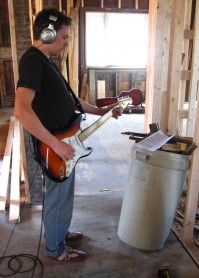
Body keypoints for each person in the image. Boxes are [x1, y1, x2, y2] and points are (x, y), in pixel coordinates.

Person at [14, 8, 122, 262]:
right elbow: (21, 110)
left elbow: (71, 101)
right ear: (47, 34)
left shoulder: (45, 62)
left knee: (64, 193)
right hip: (54, 146)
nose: (66, 43)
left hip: (64, 140)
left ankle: (59, 232)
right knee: (57, 195)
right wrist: (56, 144)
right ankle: (55, 249)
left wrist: (100, 110)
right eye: (63, 37)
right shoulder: (32, 61)